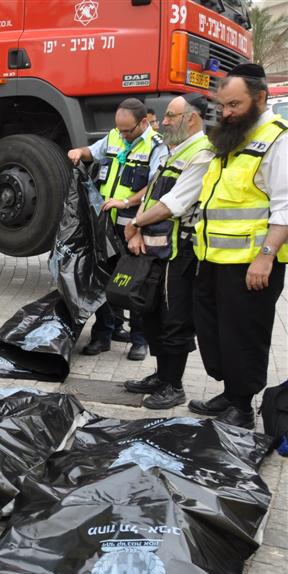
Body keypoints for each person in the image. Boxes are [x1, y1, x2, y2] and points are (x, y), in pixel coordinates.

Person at [187, 63, 288, 429]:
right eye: (223, 105)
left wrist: (265, 257)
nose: (227, 113)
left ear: (260, 98)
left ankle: (242, 408)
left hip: (252, 263)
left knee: (244, 334)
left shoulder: (278, 140)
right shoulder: (233, 139)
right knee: (215, 331)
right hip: (214, 258)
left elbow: (285, 206)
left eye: (234, 105)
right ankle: (230, 393)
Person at [122, 94, 213, 409]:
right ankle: (161, 376)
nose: (164, 122)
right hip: (158, 249)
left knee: (175, 319)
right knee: (153, 315)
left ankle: (174, 386)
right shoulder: (177, 151)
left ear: (192, 118)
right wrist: (136, 218)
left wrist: (134, 224)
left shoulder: (201, 154)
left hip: (180, 253)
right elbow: (153, 192)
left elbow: (174, 204)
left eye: (172, 116)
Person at [68, 98, 167, 361]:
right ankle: (103, 335)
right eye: (119, 130)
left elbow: (155, 186)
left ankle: (139, 340)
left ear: (144, 122)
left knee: (134, 283)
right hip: (107, 225)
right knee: (103, 279)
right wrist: (78, 152)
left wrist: (126, 202)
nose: (123, 135)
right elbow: (93, 152)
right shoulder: (114, 136)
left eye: (128, 131)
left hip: (134, 226)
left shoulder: (157, 147)